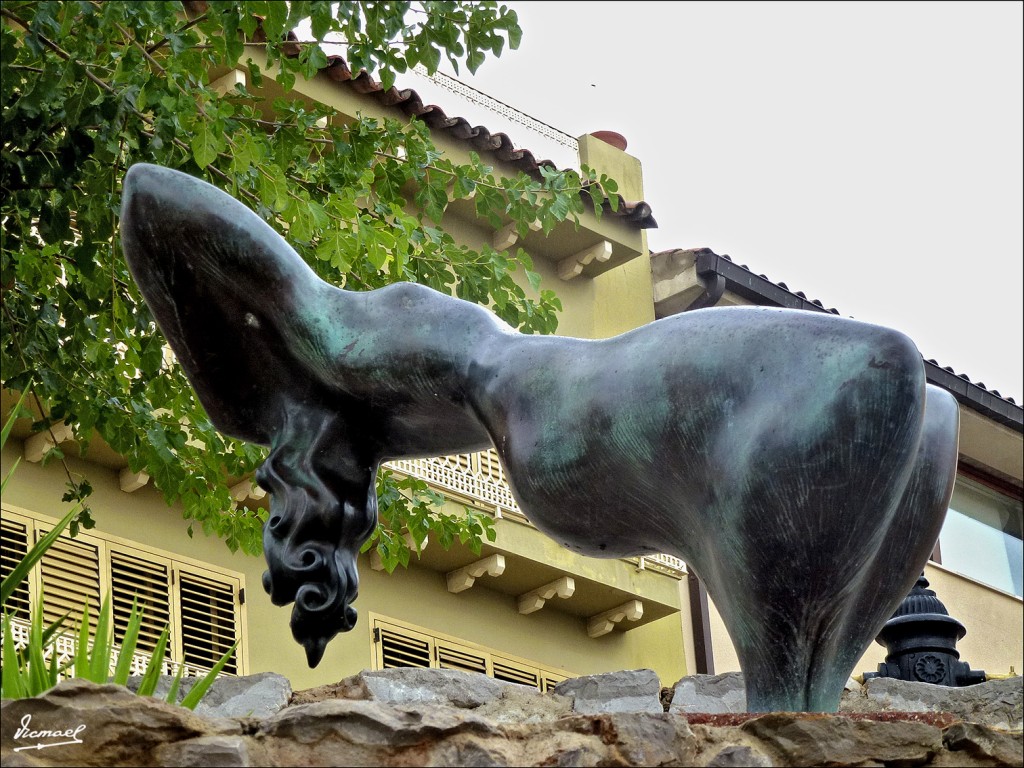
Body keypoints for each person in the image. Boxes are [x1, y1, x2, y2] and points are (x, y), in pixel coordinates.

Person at [121, 163, 958, 712]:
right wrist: (253, 386)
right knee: (887, 381)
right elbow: (151, 200)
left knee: (924, 419)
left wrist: (237, 378)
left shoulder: (334, 366)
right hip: (585, 417)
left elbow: (150, 198)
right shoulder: (355, 368)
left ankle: (792, 714)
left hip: (591, 417)